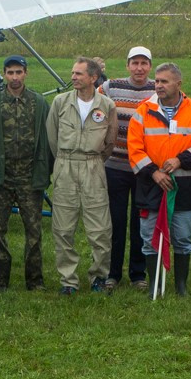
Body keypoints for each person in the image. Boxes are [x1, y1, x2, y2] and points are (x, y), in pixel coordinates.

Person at [128, 61, 191, 296]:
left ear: (178, 83)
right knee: (149, 236)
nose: (158, 85)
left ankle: (181, 286)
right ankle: (155, 285)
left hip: (183, 185)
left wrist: (180, 160)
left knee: (183, 237)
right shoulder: (143, 111)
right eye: (156, 81)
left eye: (164, 81)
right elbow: (134, 149)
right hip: (150, 184)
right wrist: (154, 172)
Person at [48, 57, 118, 294]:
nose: (74, 77)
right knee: (63, 228)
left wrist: (94, 161)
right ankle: (68, 280)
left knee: (100, 228)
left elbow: (110, 141)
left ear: (93, 77)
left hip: (93, 167)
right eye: (73, 73)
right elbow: (52, 137)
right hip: (65, 165)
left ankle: (99, 277)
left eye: (79, 74)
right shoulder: (60, 102)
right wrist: (64, 160)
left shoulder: (107, 106)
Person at [0, 55, 52, 292]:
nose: (14, 77)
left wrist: (44, 171)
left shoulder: (39, 103)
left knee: (34, 231)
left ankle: (35, 281)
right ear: (4, 74)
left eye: (18, 72)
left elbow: (47, 140)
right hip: (1, 178)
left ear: (26, 73)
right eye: (10, 72)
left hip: (30, 178)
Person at [103, 46, 156, 288]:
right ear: (127, 65)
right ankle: (112, 273)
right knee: (115, 221)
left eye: (144, 63)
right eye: (135, 63)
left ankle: (138, 273)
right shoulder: (111, 87)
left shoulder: (158, 89)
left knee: (140, 221)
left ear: (150, 66)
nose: (139, 68)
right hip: (115, 165)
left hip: (144, 169)